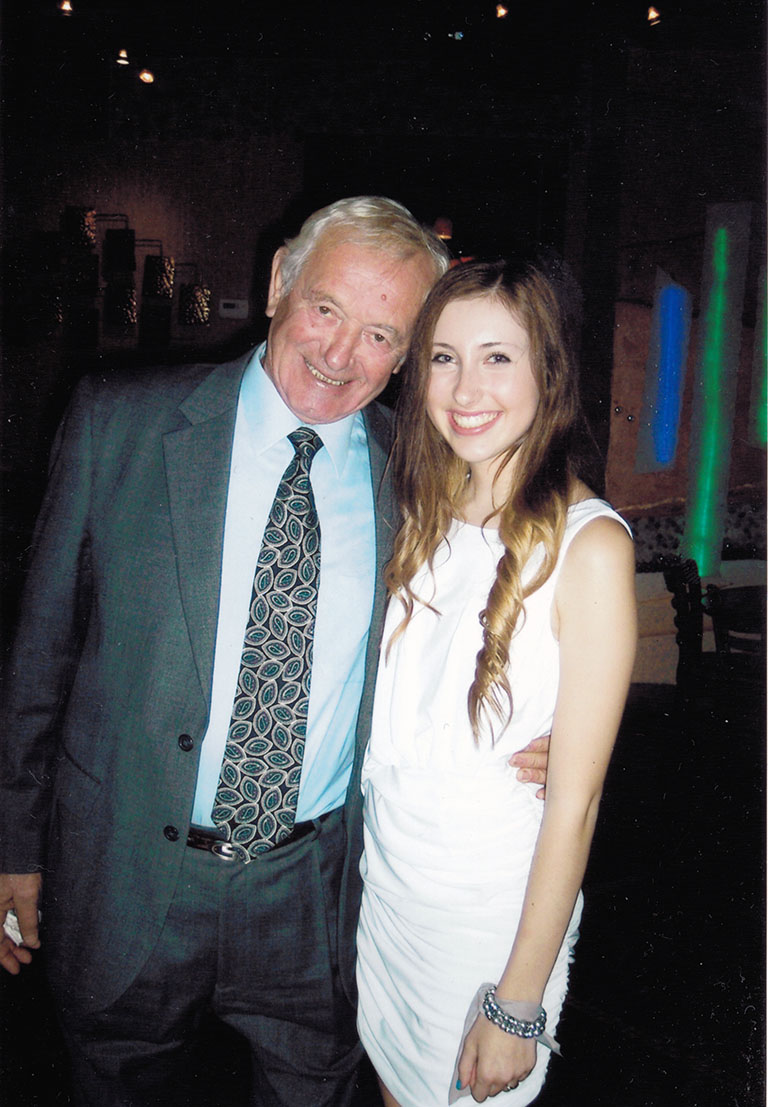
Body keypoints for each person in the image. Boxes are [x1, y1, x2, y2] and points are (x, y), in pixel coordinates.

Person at [0, 197, 549, 1107]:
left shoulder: (422, 481)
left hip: (313, 891)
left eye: (381, 335)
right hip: (128, 870)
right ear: (278, 282)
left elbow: (489, 625)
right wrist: (13, 844)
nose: (340, 354)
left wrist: (547, 730)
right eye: (326, 309)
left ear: (408, 354)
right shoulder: (119, 423)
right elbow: (37, 656)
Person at [356, 259, 637, 1106]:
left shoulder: (590, 547)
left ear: (548, 371)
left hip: (486, 922)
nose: (465, 388)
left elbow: (576, 805)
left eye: (497, 357)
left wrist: (517, 1001)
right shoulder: (422, 512)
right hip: (388, 897)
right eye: (444, 357)